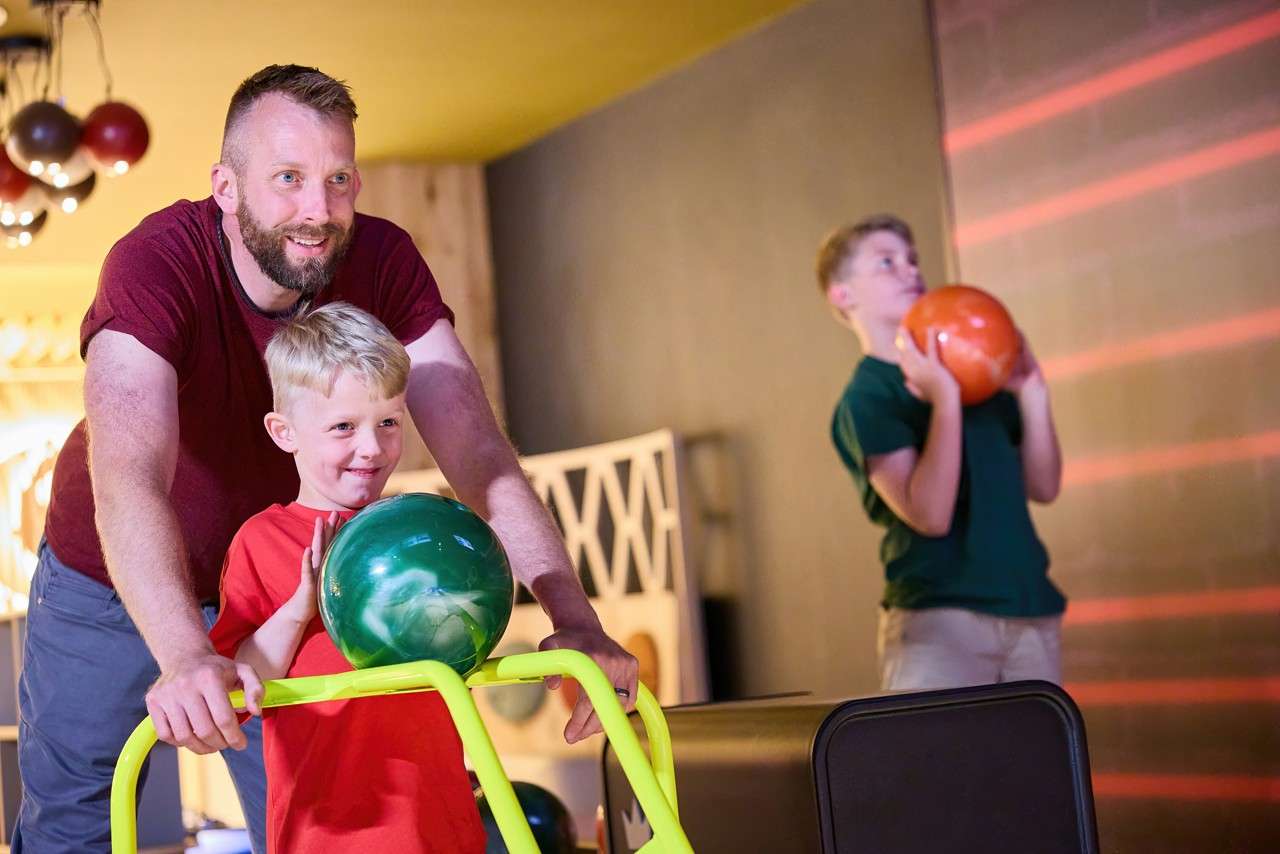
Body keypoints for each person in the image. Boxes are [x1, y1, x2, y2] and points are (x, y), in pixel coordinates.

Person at [17, 64, 635, 854]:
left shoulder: (383, 260)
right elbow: (131, 473)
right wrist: (184, 655)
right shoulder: (155, 264)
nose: (319, 209)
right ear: (227, 188)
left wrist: (575, 621)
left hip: (288, 574)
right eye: (288, 178)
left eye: (338, 178)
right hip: (107, 577)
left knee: (314, 814)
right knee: (76, 821)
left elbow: (478, 451)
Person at [209, 302, 485, 852]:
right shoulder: (262, 541)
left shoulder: (417, 529)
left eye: (389, 422)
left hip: (440, 825)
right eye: (343, 427)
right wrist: (300, 606)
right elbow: (239, 687)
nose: (372, 447)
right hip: (328, 834)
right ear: (284, 432)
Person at [817, 214, 1065, 692]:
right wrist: (945, 399)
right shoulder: (867, 397)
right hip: (939, 622)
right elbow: (930, 514)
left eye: (912, 260)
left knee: (1035, 767)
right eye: (886, 262)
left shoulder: (982, 374)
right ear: (842, 295)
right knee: (940, 766)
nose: (910, 270)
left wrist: (1033, 394)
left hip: (1031, 610)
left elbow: (1044, 486)